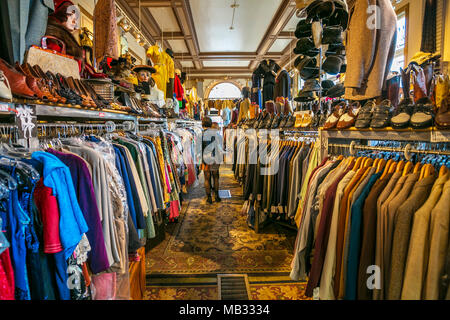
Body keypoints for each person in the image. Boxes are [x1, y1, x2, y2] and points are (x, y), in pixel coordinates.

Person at [201, 117, 223, 204]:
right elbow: (220, 147)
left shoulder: (201, 135)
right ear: (210, 124)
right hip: (215, 158)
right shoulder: (217, 134)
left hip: (206, 159)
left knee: (207, 178)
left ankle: (209, 198)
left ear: (202, 124)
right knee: (216, 177)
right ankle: (217, 196)